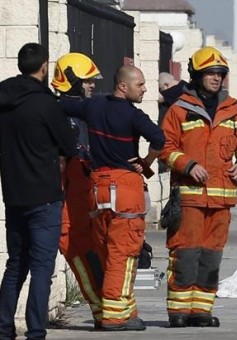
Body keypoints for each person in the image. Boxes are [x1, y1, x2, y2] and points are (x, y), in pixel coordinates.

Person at [61, 65, 165, 331]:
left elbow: (65, 106)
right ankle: (115, 316)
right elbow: (159, 139)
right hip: (125, 188)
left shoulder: (94, 107)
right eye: (140, 84)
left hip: (97, 188)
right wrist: (146, 161)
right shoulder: (134, 115)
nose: (145, 89)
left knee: (106, 251)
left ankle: (128, 312)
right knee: (125, 253)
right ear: (123, 86)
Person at [159, 46, 237, 328]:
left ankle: (201, 310)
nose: (216, 78)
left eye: (220, 74)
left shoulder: (233, 110)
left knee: (211, 256)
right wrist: (188, 165)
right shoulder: (179, 110)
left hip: (222, 198)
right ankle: (179, 311)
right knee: (185, 252)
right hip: (189, 197)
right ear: (196, 75)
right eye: (210, 73)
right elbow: (165, 147)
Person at [0, 42, 77, 340]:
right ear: (44, 67)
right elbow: (69, 146)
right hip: (45, 196)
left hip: (14, 194)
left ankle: (4, 327)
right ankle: (35, 330)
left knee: (16, 263)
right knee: (42, 265)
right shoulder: (46, 104)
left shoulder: (4, 100)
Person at [51, 52, 105, 329]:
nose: (92, 85)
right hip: (66, 199)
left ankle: (104, 307)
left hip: (85, 194)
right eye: (87, 80)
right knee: (77, 248)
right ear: (72, 80)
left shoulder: (84, 110)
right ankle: (100, 309)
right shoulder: (59, 111)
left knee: (92, 249)